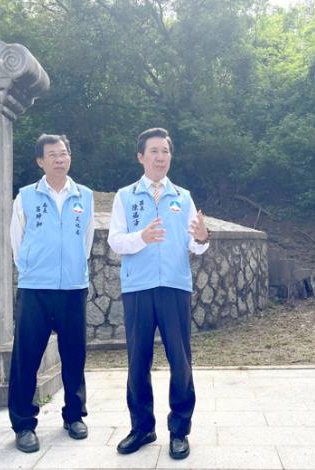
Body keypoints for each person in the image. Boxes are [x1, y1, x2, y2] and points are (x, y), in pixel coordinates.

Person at [108, 127, 209, 460]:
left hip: (175, 287)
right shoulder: (125, 196)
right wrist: (142, 237)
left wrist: (203, 237)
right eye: (154, 151)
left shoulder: (183, 196)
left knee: (180, 361)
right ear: (141, 156)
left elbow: (195, 245)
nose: (161, 156)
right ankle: (141, 427)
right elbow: (115, 241)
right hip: (138, 287)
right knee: (138, 361)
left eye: (165, 151)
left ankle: (179, 430)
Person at [8, 134, 94, 453]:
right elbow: (17, 242)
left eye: (64, 153)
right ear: (40, 161)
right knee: (26, 359)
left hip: (72, 288)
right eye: (52, 154)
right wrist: (34, 268)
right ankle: (23, 424)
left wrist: (70, 269)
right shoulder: (26, 197)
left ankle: (74, 416)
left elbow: (85, 241)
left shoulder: (83, 195)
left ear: (69, 158)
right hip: (35, 289)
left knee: (75, 356)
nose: (59, 158)